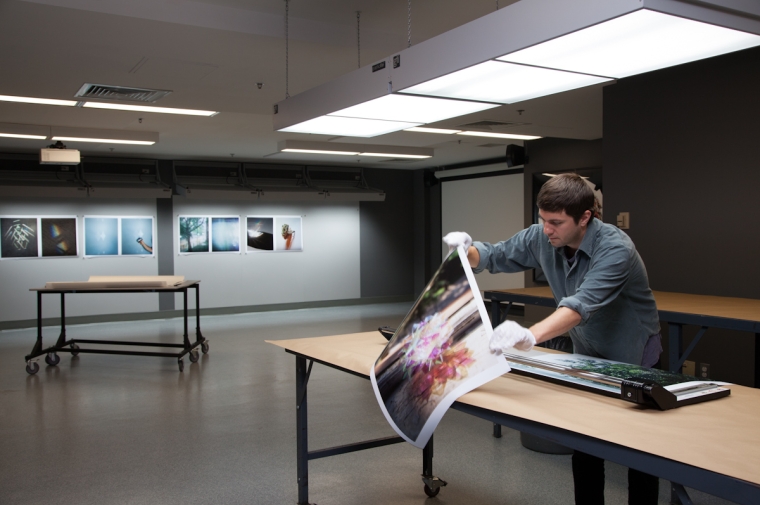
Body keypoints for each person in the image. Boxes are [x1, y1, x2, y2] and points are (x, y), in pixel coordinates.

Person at [443, 173, 662, 505]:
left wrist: (531, 334)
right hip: (587, 353)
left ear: (585, 217)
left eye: (556, 222)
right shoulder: (542, 236)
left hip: (634, 355)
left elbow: (579, 306)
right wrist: (466, 250)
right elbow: (497, 255)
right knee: (586, 444)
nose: (547, 229)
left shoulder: (615, 248)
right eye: (543, 219)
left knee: (640, 452)